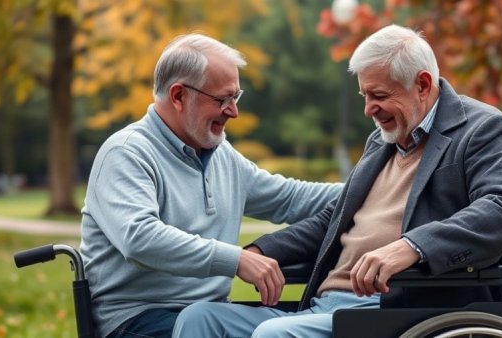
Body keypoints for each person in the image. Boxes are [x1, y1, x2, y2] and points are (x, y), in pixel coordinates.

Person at [171, 23, 502, 337]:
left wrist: (411, 247)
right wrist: (258, 254)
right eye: (365, 96)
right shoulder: (383, 139)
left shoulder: (481, 129)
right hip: (326, 304)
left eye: (379, 95)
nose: (368, 110)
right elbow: (332, 221)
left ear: (422, 85)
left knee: (273, 333)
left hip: (396, 308)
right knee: (200, 319)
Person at [79, 33, 342, 338]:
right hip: (137, 319)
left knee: (299, 328)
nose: (233, 111)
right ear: (178, 96)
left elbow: (292, 198)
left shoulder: (220, 155)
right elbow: (139, 238)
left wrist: (377, 183)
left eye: (235, 97)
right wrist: (236, 259)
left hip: (208, 314)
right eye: (222, 99)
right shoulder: (126, 152)